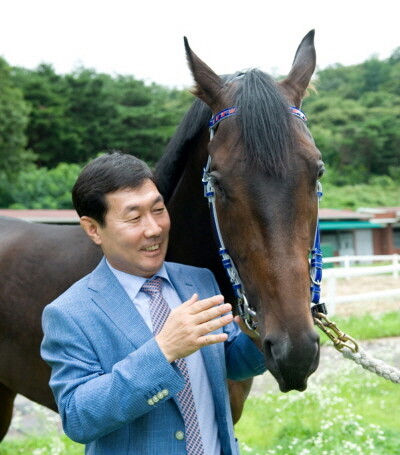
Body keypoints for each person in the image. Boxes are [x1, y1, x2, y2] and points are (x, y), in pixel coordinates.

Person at [41, 151, 266, 455]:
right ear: (93, 229)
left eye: (158, 210)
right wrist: (164, 351)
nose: (154, 228)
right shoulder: (70, 313)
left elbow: (231, 364)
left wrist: (254, 337)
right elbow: (79, 418)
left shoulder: (199, 281)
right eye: (134, 218)